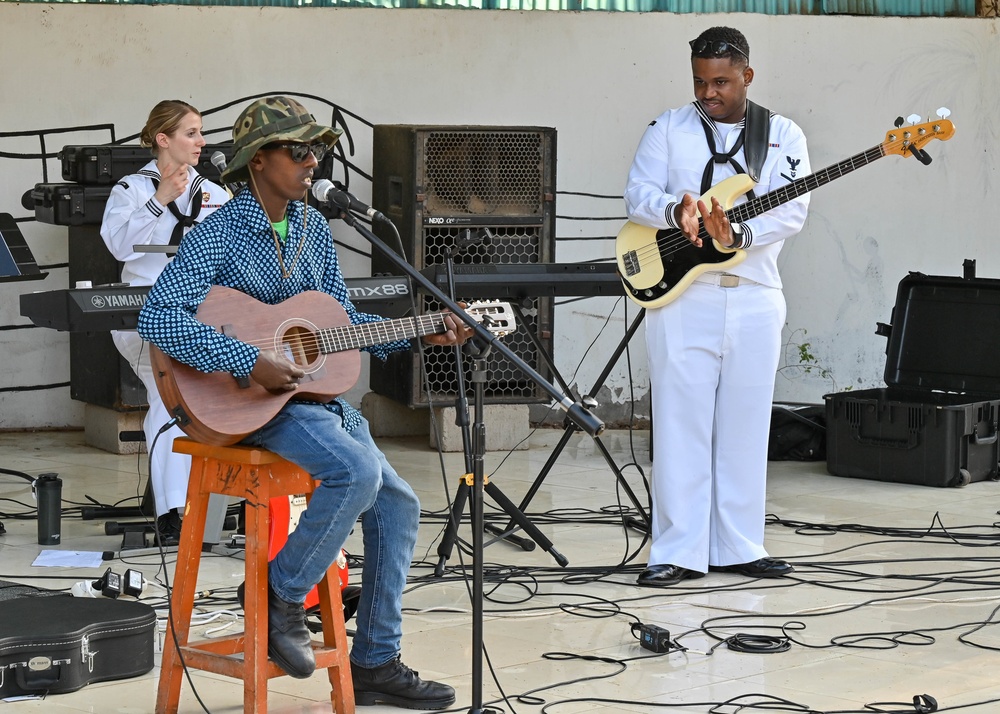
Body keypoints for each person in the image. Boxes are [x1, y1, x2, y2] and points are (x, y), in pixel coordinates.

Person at [137, 96, 464, 709]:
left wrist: (421, 329)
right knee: (357, 471)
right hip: (251, 406)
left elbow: (335, 322)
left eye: (318, 150)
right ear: (260, 162)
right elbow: (158, 315)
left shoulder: (314, 226)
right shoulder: (218, 234)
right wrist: (247, 361)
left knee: (399, 503)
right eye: (300, 150)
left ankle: (373, 661)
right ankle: (282, 591)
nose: (314, 161)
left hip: (312, 403)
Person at [624, 27, 810, 587]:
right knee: (680, 426)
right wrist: (671, 210)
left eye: (722, 82)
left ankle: (738, 545)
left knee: (746, 426)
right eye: (702, 82)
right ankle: (678, 552)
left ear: (747, 77)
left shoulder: (781, 135)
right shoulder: (667, 127)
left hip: (755, 295)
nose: (710, 92)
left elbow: (794, 210)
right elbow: (638, 193)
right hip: (684, 296)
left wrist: (740, 232)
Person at [101, 100, 230, 545]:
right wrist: (160, 201)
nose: (201, 142)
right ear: (163, 139)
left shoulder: (215, 193)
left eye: (201, 133)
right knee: (172, 396)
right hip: (145, 316)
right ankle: (175, 509)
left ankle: (202, 499)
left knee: (204, 400)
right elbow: (120, 247)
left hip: (201, 316)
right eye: (191, 133)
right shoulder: (132, 190)